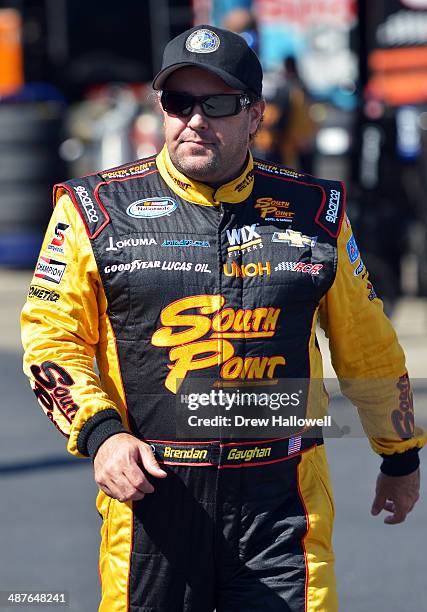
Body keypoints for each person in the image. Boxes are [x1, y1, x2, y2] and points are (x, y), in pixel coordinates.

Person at [21, 25, 424, 612]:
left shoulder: (317, 213)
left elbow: (367, 343)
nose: (195, 120)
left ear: (256, 113)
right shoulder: (92, 210)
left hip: (282, 505)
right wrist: (101, 436)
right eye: (179, 103)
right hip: (154, 501)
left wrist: (399, 453)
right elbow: (52, 338)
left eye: (217, 104)